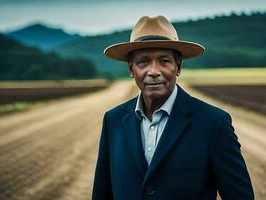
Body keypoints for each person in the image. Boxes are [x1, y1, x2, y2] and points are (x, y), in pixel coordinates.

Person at [92, 15, 254, 200]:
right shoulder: (113, 120)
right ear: (131, 69)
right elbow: (102, 194)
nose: (153, 71)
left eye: (164, 61)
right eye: (143, 62)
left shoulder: (213, 123)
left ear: (178, 66)